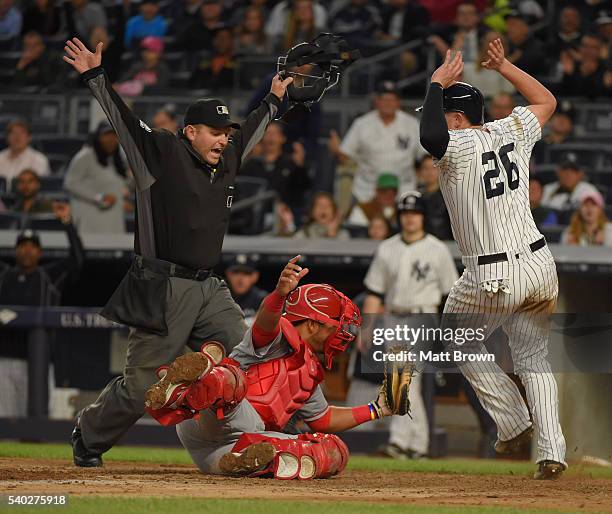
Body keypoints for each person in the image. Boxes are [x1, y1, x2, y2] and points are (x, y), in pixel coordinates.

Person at [62, 35, 293, 467]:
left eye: (227, 133)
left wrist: (275, 98)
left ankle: (259, 437)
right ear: (190, 132)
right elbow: (125, 122)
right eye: (215, 132)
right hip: (162, 286)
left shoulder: (226, 159)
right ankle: (88, 434)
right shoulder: (163, 152)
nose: (224, 140)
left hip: (208, 288)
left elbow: (255, 128)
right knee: (140, 391)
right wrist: (96, 77)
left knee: (253, 352)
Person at [418, 40, 566, 479]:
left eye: (446, 114)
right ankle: (551, 451)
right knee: (534, 359)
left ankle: (513, 421)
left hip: (495, 272)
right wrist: (504, 67)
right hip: (540, 265)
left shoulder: (458, 146)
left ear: (458, 119)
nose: (439, 122)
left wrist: (433, 83)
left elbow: (431, 135)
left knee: (455, 335)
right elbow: (546, 100)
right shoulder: (511, 128)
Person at [144, 257, 403, 479]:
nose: (343, 333)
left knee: (331, 450)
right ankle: (178, 392)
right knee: (230, 379)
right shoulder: (279, 337)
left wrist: (377, 409)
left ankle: (242, 464)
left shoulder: (310, 372)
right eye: (336, 325)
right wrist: (280, 294)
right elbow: (265, 323)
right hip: (210, 416)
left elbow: (324, 420)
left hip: (233, 443)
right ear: (312, 324)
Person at [356, 191, 458, 459]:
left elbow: (452, 294)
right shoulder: (387, 247)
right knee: (406, 381)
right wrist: (367, 328)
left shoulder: (437, 249)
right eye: (405, 213)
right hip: (393, 316)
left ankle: (400, 442)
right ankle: (418, 446)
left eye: (415, 213)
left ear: (423, 216)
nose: (410, 218)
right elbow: (375, 293)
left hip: (423, 316)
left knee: (402, 379)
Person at [0, 203, 84, 418]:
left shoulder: (49, 276)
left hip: (38, 359)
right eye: (22, 245)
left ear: (39, 252)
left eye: (31, 246)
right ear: (14, 250)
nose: (26, 250)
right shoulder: (5, 276)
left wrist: (67, 223)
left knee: (37, 417)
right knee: (5, 419)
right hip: (5, 359)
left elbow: (77, 261)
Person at [329, 81, 425, 203]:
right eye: (384, 99)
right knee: (357, 221)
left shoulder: (412, 124)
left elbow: (425, 156)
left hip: (404, 191)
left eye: (392, 99)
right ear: (377, 101)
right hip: (367, 192)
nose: (388, 103)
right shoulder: (362, 124)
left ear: (398, 102)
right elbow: (345, 157)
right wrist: (336, 151)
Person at [63, 121, 129, 234]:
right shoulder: (86, 156)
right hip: (90, 220)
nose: (111, 139)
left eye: (114, 135)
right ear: (97, 137)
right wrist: (98, 197)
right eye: (106, 135)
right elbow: (70, 183)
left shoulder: (116, 159)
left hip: (113, 220)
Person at [239, 121, 311, 219]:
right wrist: (248, 157)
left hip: (284, 216)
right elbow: (241, 187)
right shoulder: (252, 163)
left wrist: (300, 165)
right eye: (267, 133)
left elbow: (302, 189)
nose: (271, 137)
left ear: (282, 138)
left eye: (275, 133)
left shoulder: (291, 164)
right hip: (253, 215)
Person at [560, 33, 608, 98]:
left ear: (600, 50)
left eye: (593, 47)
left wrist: (608, 86)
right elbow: (563, 95)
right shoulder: (572, 68)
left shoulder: (606, 70)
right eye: (585, 46)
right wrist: (567, 76)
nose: (589, 51)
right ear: (580, 48)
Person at [416, 155, 453, 240]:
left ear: (441, 170)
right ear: (419, 172)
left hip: (446, 244)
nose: (430, 172)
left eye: (434, 168)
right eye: (425, 168)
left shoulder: (449, 196)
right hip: (421, 245)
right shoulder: (416, 197)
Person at [224, 254, 267, 323]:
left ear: (255, 276)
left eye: (246, 273)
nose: (240, 279)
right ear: (228, 274)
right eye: (236, 273)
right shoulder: (220, 297)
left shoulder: (262, 300)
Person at [505, 11, 548, 76]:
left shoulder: (537, 48)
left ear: (525, 28)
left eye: (513, 24)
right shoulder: (506, 46)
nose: (508, 28)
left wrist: (509, 63)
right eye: (507, 24)